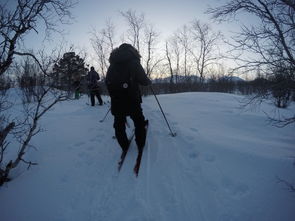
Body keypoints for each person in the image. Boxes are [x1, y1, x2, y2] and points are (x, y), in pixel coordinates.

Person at [106, 43, 151, 155]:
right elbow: (143, 80)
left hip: (116, 99)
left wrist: (113, 94)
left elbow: (107, 81)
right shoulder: (134, 62)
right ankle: (140, 144)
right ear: (131, 50)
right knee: (139, 121)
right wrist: (148, 81)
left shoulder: (113, 64)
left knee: (118, 123)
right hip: (132, 98)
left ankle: (124, 145)